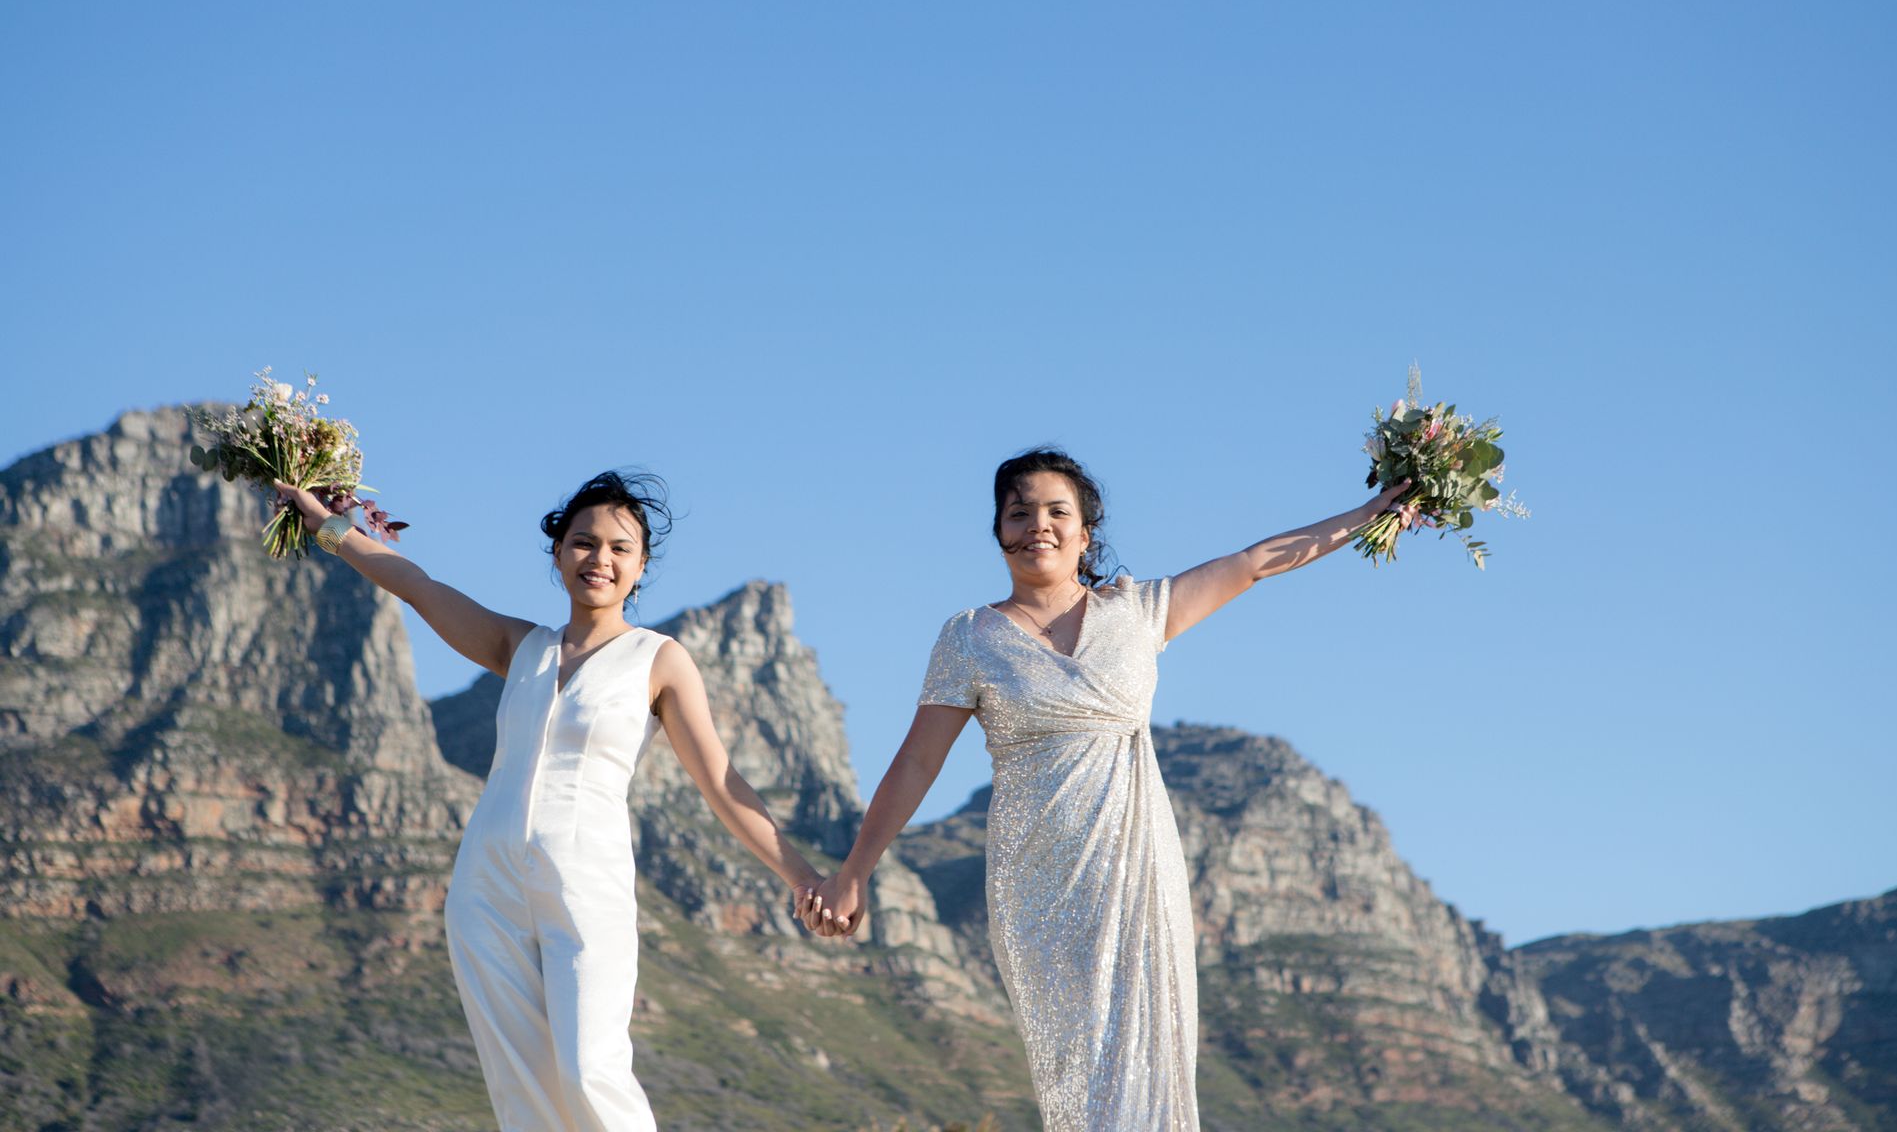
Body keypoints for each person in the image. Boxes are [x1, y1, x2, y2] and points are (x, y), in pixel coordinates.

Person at [808, 449, 1412, 1131]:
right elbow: (917, 762)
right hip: (1039, 886)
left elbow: (1255, 562)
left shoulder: (1137, 612)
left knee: (1146, 1070)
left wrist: (1368, 515)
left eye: (1057, 511)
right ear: (1000, 532)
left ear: (1085, 533)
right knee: (1082, 1076)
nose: (1039, 524)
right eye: (1020, 512)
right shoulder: (970, 638)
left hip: (1140, 873)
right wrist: (855, 871)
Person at [273, 470, 834, 1132]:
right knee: (522, 1089)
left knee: (588, 1068)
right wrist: (325, 525)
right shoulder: (522, 646)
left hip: (586, 879)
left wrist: (801, 875)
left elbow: (720, 779)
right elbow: (418, 587)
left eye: (620, 548)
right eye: (583, 542)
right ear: (558, 552)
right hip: (486, 884)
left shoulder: (658, 659)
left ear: (641, 565)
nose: (599, 559)